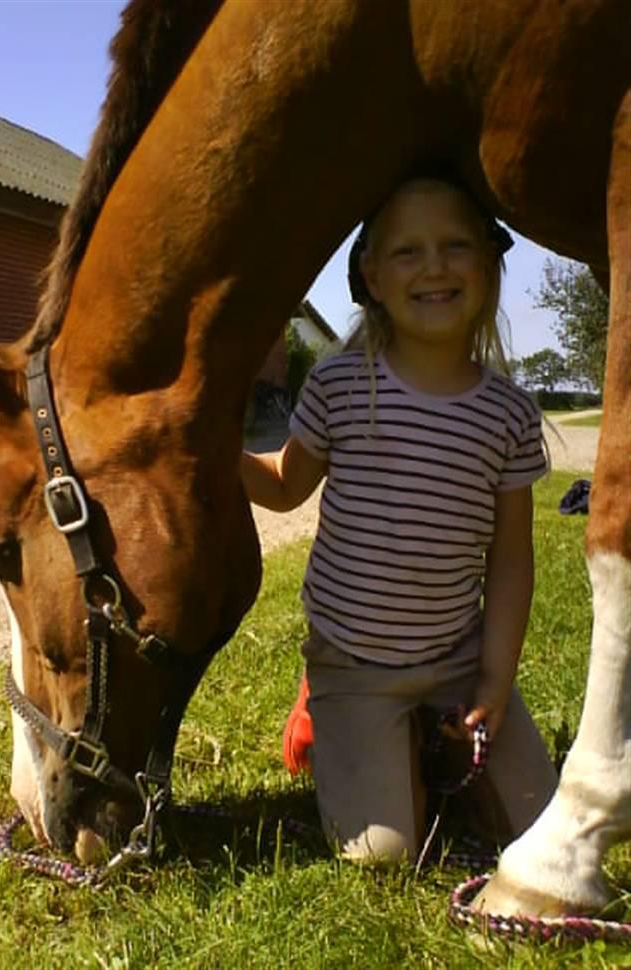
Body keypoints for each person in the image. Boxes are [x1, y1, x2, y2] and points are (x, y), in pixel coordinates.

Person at [241, 169, 558, 864]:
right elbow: (285, 484)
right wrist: (207, 446)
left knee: (538, 825)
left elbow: (510, 559)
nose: (435, 266)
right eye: (408, 251)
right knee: (384, 855)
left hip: (457, 660)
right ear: (372, 276)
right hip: (353, 665)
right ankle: (324, 715)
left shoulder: (508, 414)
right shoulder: (341, 382)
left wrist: (495, 681)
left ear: (487, 263)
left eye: (455, 245)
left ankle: (420, 734)